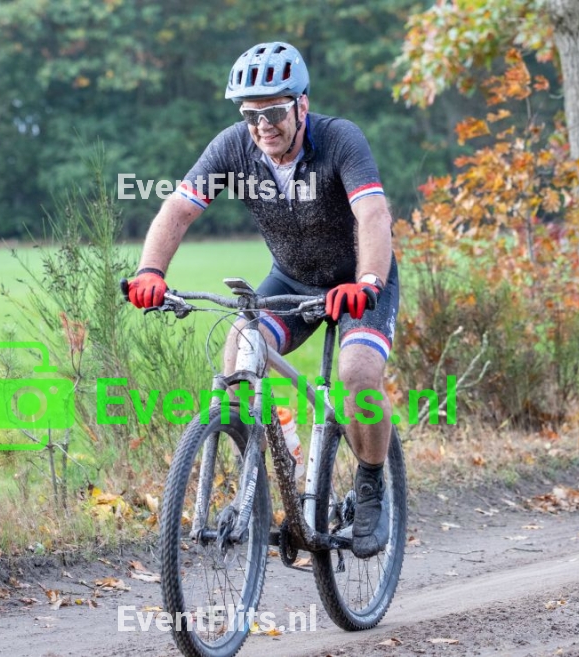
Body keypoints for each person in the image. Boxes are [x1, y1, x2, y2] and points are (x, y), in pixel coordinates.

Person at [126, 42, 399, 559]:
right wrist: (150, 272)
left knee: (358, 374)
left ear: (301, 105)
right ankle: (278, 464)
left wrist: (367, 280)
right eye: (250, 115)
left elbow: (373, 215)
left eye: (273, 112)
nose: (262, 126)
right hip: (291, 281)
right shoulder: (233, 149)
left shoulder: (340, 140)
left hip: (359, 283)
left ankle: (370, 484)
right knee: (240, 351)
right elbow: (178, 209)